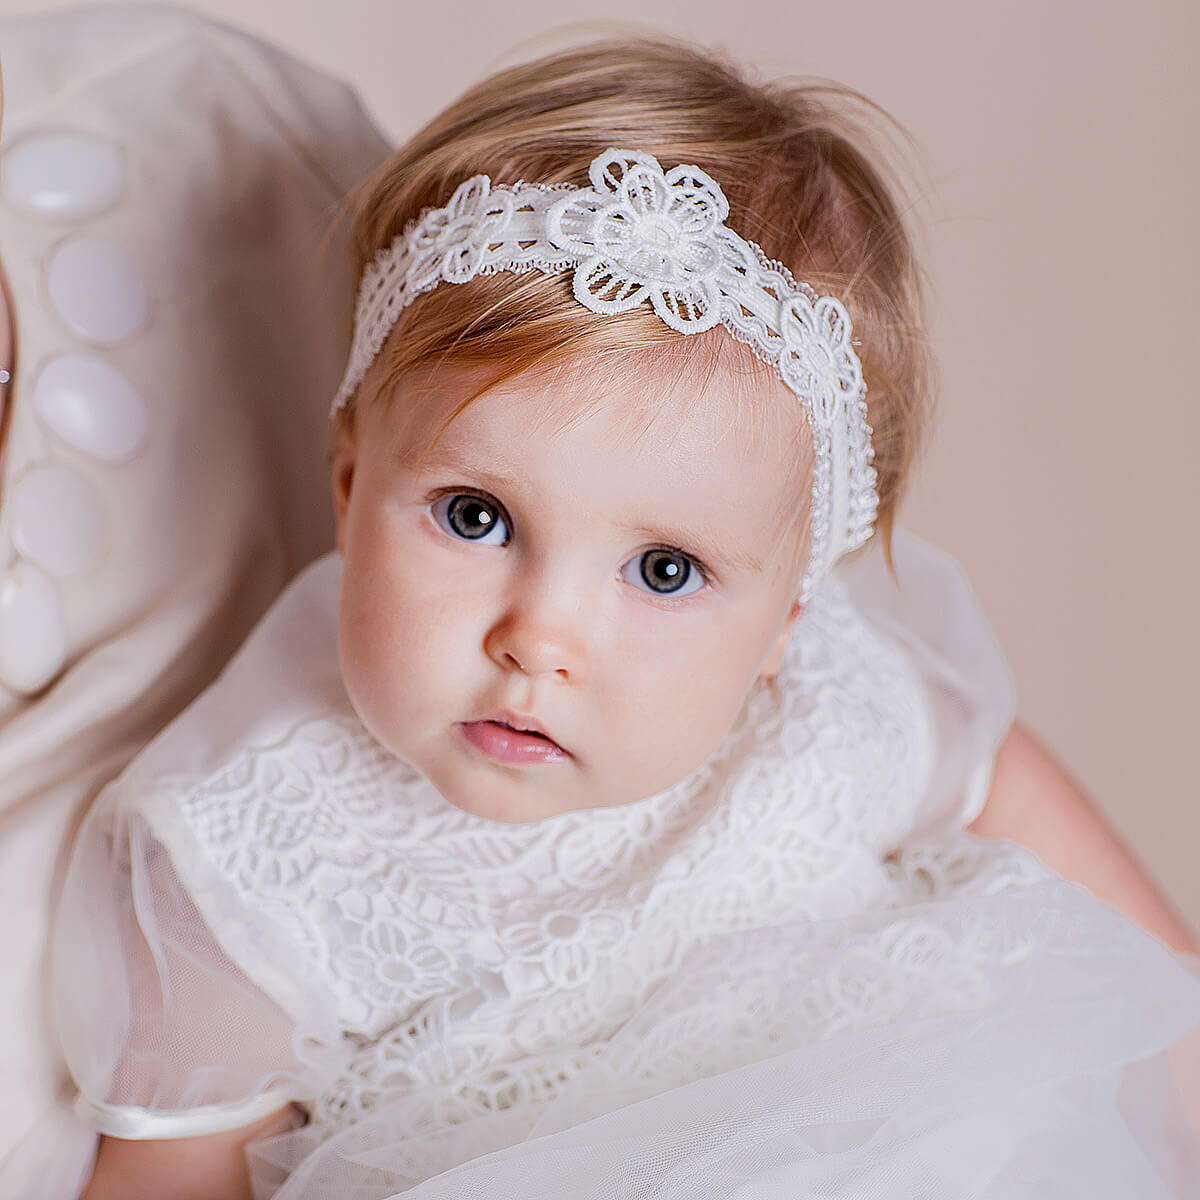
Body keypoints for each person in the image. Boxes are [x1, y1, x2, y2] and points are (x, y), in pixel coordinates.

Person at [57, 33, 1200, 1200]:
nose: (540, 640)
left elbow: (1019, 813)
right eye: (474, 515)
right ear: (350, 487)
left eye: (662, 572)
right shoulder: (252, 841)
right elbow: (171, 1184)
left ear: (787, 623)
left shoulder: (826, 702)